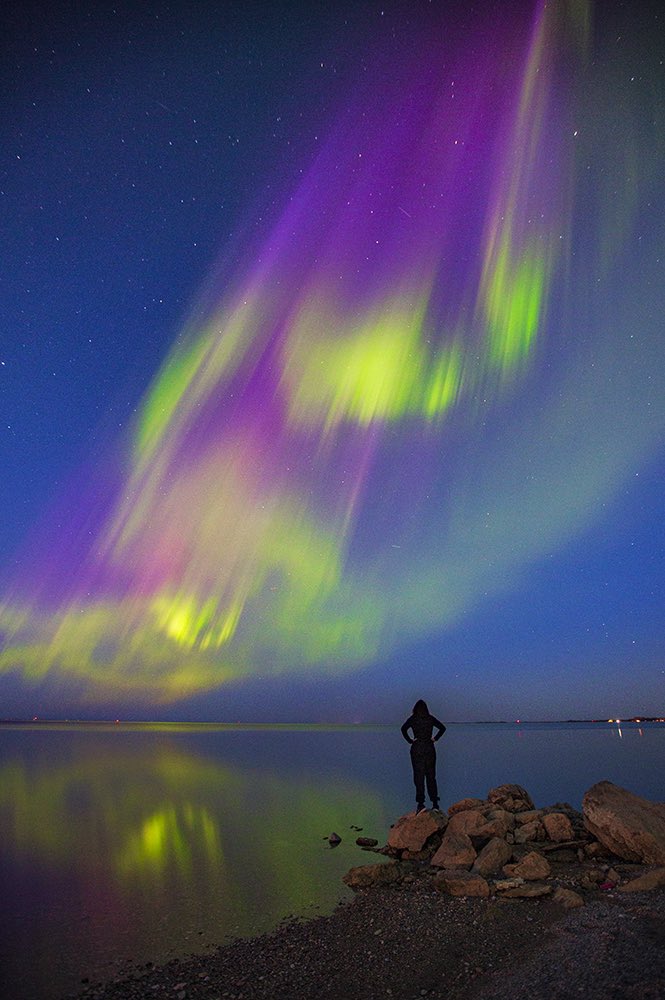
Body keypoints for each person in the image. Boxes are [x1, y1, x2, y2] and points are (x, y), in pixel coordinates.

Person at [400, 699, 446, 813]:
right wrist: (435, 738)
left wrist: (410, 740)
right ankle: (435, 804)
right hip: (429, 748)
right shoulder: (430, 718)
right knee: (431, 776)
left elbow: (403, 729)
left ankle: (421, 804)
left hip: (417, 749)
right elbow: (442, 728)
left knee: (418, 776)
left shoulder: (413, 719)